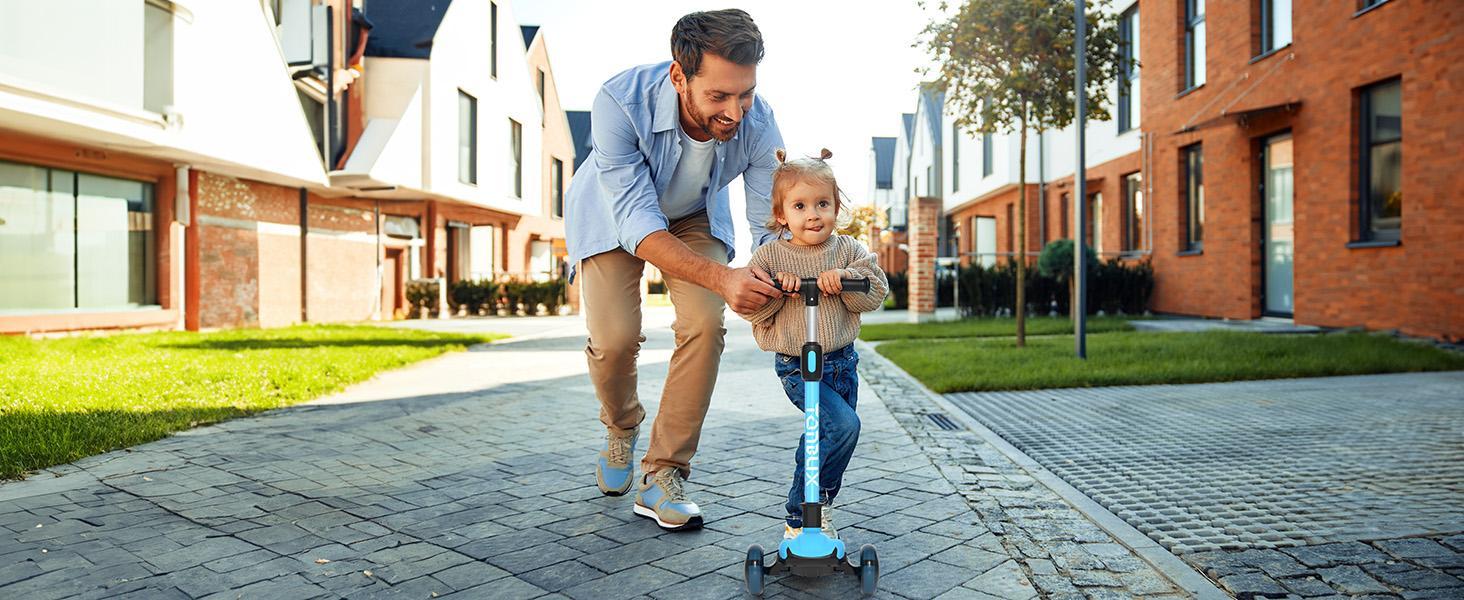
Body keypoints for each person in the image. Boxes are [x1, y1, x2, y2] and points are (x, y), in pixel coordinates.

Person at [563, 9, 787, 532]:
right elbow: (637, 222)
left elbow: (768, 225)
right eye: (719, 97)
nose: (736, 111)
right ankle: (621, 425)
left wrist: (794, 274)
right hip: (614, 213)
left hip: (693, 216)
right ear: (679, 76)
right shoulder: (618, 102)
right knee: (616, 338)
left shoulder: (758, 121)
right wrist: (726, 278)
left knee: (707, 324)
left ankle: (663, 473)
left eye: (746, 92)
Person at [742, 148, 889, 540]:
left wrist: (844, 278)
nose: (813, 214)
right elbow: (752, 310)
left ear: (836, 207)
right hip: (796, 364)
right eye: (800, 205)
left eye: (822, 204)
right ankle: (802, 512)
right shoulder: (770, 256)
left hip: (841, 362)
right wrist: (777, 289)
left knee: (825, 435)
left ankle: (815, 511)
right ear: (781, 215)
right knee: (843, 427)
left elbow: (875, 291)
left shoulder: (848, 251)